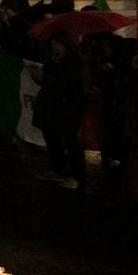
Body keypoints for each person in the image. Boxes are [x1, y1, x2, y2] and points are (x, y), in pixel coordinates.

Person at [32, 31, 90, 189]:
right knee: (52, 140)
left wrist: (46, 78)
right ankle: (59, 170)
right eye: (52, 44)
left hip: (68, 108)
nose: (54, 47)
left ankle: (76, 176)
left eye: (57, 44)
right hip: (51, 106)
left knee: (71, 143)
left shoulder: (79, 62)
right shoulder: (53, 59)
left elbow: (72, 86)